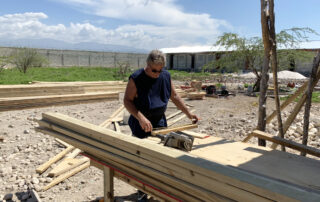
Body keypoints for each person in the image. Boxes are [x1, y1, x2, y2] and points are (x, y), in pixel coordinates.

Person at [123, 49, 199, 202]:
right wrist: (140, 118)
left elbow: (175, 96)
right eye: (154, 70)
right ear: (147, 64)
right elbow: (127, 101)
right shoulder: (136, 78)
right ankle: (142, 191)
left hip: (159, 121)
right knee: (142, 158)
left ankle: (158, 188)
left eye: (160, 69)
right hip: (141, 122)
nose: (157, 73)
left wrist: (188, 113)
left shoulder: (165, 76)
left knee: (160, 156)